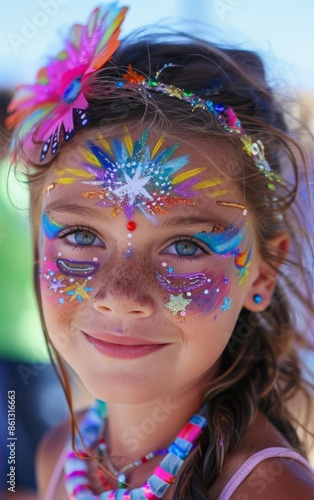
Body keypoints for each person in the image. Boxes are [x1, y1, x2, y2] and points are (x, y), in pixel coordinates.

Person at [6, 3, 314, 499]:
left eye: (186, 245)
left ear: (263, 271)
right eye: (82, 236)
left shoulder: (268, 491)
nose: (120, 295)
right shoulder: (58, 454)